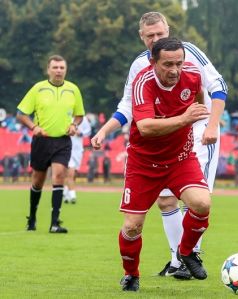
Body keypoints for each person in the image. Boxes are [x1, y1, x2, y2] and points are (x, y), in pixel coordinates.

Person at [91, 12, 226, 278]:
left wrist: (210, 124)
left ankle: (189, 255)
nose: (156, 39)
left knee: (198, 202)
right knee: (162, 204)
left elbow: (216, 87)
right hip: (151, 149)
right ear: (142, 38)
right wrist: (105, 130)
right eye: (150, 36)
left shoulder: (188, 56)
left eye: (160, 34)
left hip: (195, 134)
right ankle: (172, 261)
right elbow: (129, 108)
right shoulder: (140, 69)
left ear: (169, 31)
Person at [118, 37, 211, 291]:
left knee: (202, 204)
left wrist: (196, 118)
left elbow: (199, 99)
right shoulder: (143, 84)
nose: (174, 70)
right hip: (144, 164)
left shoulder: (192, 75)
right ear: (152, 62)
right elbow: (146, 128)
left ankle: (186, 252)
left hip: (180, 159)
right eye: (168, 64)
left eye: (178, 63)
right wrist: (184, 119)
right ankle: (131, 274)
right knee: (132, 227)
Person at [16, 55, 85, 233]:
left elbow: (79, 115)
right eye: (55, 67)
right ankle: (32, 218)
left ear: (66, 70)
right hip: (42, 141)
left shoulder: (73, 89)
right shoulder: (38, 89)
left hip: (63, 141)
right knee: (38, 181)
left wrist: (74, 125)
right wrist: (33, 127)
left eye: (62, 67)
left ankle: (55, 223)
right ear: (48, 70)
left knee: (59, 175)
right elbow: (21, 113)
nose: (59, 70)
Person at [64, 116, 91, 204]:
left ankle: (66, 192)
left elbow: (88, 131)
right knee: (70, 172)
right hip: (67, 148)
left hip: (78, 149)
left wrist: (81, 133)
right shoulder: (65, 116)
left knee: (74, 173)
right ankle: (73, 195)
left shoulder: (83, 118)